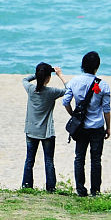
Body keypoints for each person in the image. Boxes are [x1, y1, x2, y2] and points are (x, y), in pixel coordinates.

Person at [63, 50, 111, 197]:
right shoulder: (103, 85)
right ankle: (95, 191)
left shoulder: (74, 81)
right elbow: (106, 109)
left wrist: (73, 115)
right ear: (97, 67)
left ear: (83, 65)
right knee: (96, 160)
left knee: (79, 158)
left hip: (81, 127)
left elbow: (65, 102)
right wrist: (108, 128)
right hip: (97, 127)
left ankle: (80, 190)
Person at [21, 62, 66, 191]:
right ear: (48, 78)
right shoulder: (52, 92)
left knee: (29, 161)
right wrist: (60, 75)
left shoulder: (30, 89)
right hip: (47, 132)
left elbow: (25, 79)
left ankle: (26, 187)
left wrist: (37, 75)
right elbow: (69, 90)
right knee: (49, 161)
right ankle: (51, 189)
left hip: (31, 131)